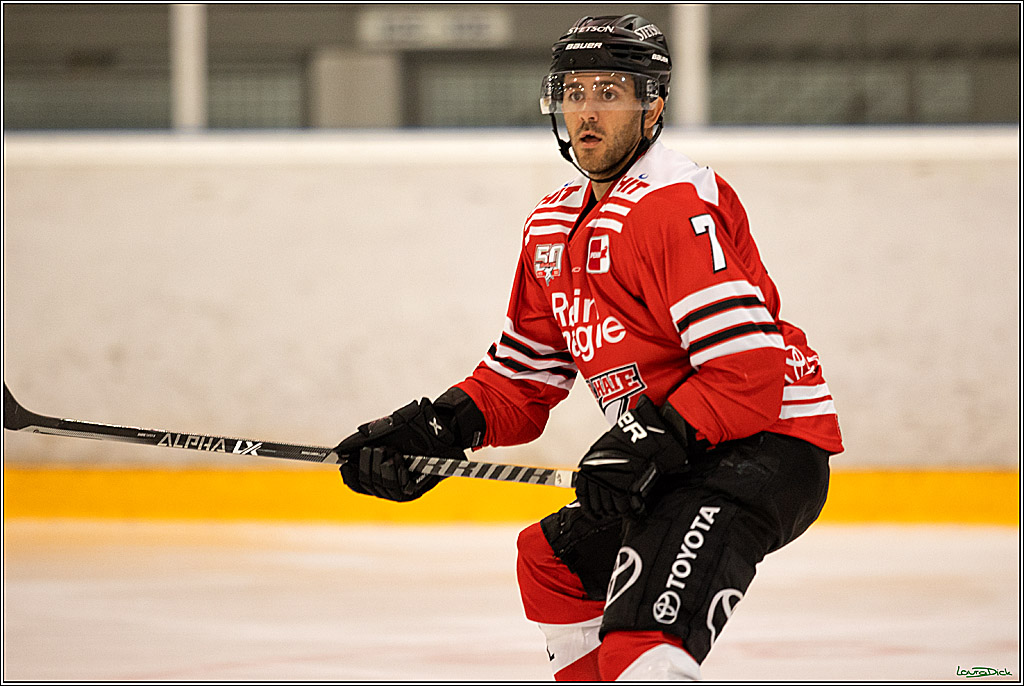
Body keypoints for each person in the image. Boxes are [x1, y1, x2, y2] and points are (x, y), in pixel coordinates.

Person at [333, 14, 843, 681]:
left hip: (760, 450)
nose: (588, 112)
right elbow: (524, 375)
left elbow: (747, 371)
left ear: (653, 104)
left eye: (611, 91)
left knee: (643, 645)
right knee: (551, 562)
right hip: (679, 451)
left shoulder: (673, 205)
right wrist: (438, 428)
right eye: (574, 93)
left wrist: (650, 437)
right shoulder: (551, 223)